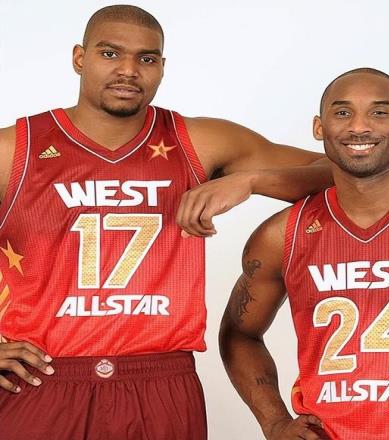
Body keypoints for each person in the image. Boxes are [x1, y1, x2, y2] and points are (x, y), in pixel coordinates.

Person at [0, 5, 333, 440]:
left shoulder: (198, 141)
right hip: (40, 378)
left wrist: (250, 181)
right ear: (79, 58)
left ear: (162, 66)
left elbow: (340, 171)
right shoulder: (16, 149)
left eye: (146, 58)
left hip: (160, 381)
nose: (128, 70)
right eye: (110, 53)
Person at [219, 67, 389, 440]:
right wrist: (274, 421)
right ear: (319, 127)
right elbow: (240, 335)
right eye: (342, 112)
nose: (359, 127)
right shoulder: (282, 234)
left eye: (379, 112)